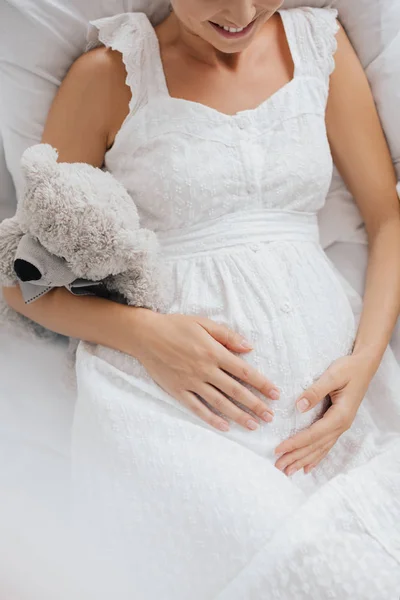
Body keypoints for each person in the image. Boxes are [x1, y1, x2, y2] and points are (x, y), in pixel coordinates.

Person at [2, 1, 400, 597]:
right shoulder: (108, 77)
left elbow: (387, 218)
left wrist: (365, 365)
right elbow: (21, 281)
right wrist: (145, 335)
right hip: (167, 412)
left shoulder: (320, 47)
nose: (240, 12)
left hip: (331, 414)